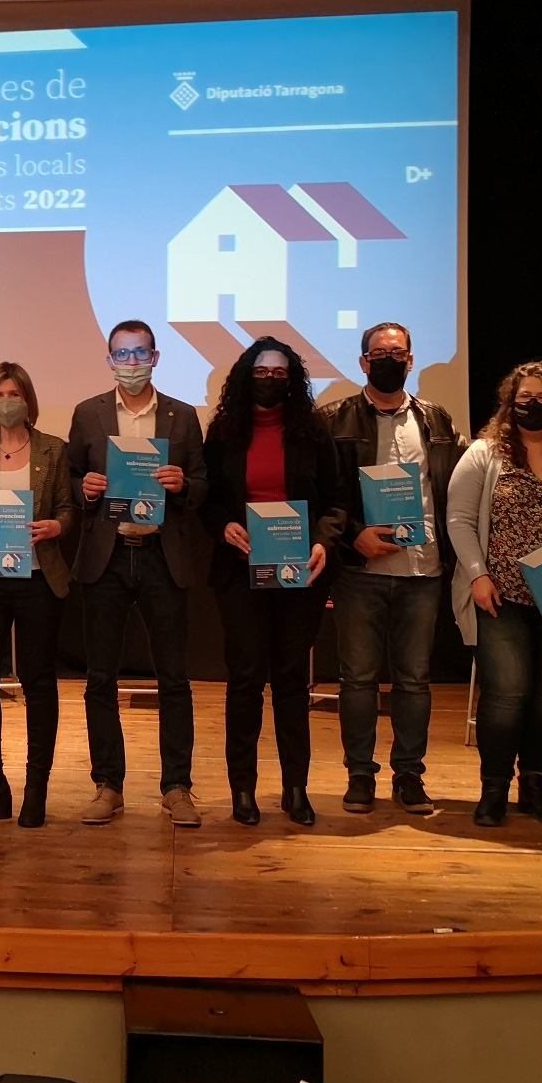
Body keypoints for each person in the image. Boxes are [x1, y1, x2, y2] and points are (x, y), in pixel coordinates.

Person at [447, 362, 542, 827]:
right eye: (524, 398)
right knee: (507, 693)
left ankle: (536, 783)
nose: (532, 406)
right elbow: (458, 519)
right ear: (510, 403)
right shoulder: (484, 454)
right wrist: (478, 575)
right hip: (501, 593)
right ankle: (493, 788)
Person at [67, 321, 209, 827]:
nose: (130, 362)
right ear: (109, 360)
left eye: (139, 353)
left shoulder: (183, 415)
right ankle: (108, 785)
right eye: (121, 354)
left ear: (156, 356)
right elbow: (70, 480)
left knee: (174, 679)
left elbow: (203, 484)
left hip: (160, 556)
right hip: (106, 557)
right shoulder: (88, 414)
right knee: (100, 678)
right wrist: (85, 486)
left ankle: (177, 787)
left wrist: (182, 485)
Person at [200, 339, 346, 827]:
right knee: (245, 680)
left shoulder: (313, 431)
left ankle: (295, 788)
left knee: (289, 680)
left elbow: (336, 500)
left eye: (280, 372)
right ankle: (243, 789)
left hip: (300, 572)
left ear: (294, 379)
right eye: (261, 370)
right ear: (246, 375)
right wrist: (224, 525)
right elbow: (208, 500)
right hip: (240, 570)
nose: (270, 378)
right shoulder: (223, 433)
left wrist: (324, 540)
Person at [320, 322, 465, 816]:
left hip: (422, 570)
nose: (388, 359)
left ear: (411, 359)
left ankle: (409, 775)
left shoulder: (438, 420)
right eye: (378, 353)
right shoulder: (332, 420)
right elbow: (321, 495)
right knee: (357, 679)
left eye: (397, 352)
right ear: (362, 362)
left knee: (414, 681)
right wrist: (351, 535)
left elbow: (450, 491)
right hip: (359, 570)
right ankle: (360, 774)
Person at [0, 362, 76, 828]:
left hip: (39, 578)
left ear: (28, 399)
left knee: (38, 683)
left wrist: (57, 526)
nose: (7, 400)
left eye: (15, 392)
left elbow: (68, 509)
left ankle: (36, 787)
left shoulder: (54, 449)